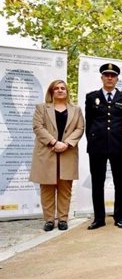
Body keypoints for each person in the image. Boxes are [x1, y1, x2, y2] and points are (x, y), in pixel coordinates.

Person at [29, 80, 84, 231]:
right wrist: (54, 142)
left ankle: (63, 219)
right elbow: (38, 127)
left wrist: (66, 143)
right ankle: (48, 220)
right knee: (47, 188)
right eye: (56, 88)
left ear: (67, 91)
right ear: (51, 91)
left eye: (63, 88)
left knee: (65, 188)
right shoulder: (41, 108)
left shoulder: (76, 110)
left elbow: (80, 128)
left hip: (68, 152)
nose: (60, 90)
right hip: (47, 152)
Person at [84, 63, 122, 230]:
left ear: (117, 78)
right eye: (106, 75)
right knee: (97, 182)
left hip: (119, 145)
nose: (110, 78)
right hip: (97, 146)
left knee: (120, 183)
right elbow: (88, 123)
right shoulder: (91, 97)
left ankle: (120, 217)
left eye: (113, 75)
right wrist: (91, 140)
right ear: (102, 77)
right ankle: (99, 218)